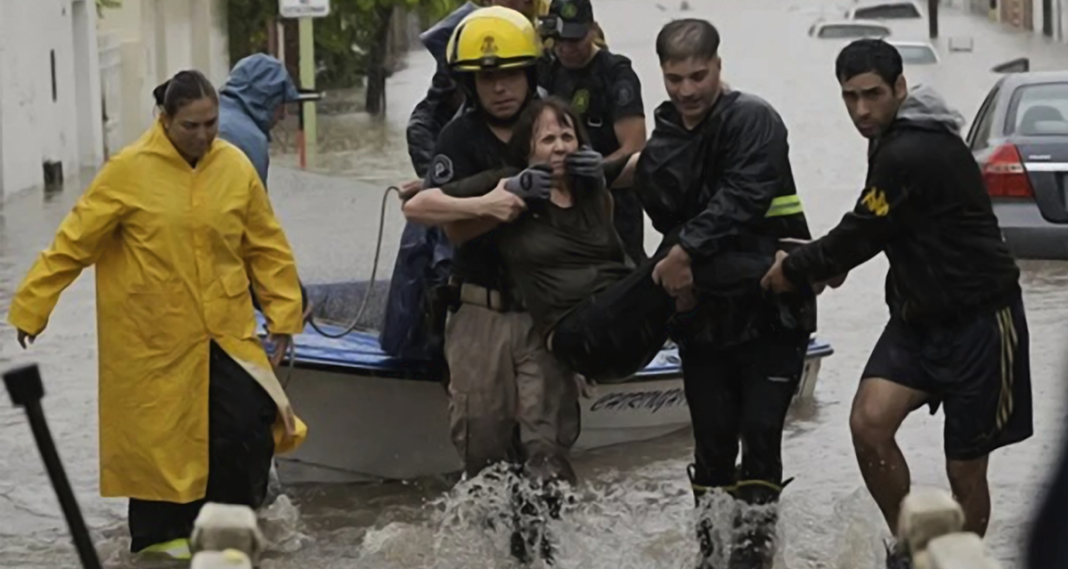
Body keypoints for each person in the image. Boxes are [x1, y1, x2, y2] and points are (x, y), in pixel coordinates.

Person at [6, 70, 308, 560]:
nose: (205, 135)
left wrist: (284, 314)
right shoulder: (129, 170)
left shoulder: (233, 166)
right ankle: (160, 550)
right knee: (158, 453)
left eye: (211, 123)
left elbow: (266, 246)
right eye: (192, 125)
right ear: (164, 120)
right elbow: (74, 242)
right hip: (153, 345)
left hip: (225, 335)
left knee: (246, 432)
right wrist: (32, 305)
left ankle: (231, 546)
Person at [761, 38, 1032, 569]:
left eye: (873, 95)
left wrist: (793, 270)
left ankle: (958, 560)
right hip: (916, 321)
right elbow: (882, 224)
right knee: (869, 424)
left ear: (900, 89)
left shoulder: (912, 148)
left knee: (965, 472)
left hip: (982, 323)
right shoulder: (886, 140)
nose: (861, 110)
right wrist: (833, 259)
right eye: (850, 97)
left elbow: (863, 230)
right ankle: (911, 550)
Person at [399, 7, 579, 563]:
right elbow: (440, 215)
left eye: (510, 74)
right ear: (470, 83)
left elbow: (600, 205)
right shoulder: (459, 138)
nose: (501, 87)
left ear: (530, 73)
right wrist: (495, 202)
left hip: (543, 315)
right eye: (487, 77)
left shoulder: (555, 127)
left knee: (545, 448)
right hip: (479, 311)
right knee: (482, 446)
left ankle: (538, 551)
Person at [634, 19, 816, 568]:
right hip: (704, 313)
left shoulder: (754, 118)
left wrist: (684, 253)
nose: (687, 91)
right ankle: (710, 558)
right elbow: (660, 203)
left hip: (773, 309)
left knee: (760, 435)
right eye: (674, 79)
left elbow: (744, 196)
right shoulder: (668, 134)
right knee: (712, 445)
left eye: (698, 76)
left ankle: (754, 559)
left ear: (718, 64)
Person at [537, 0, 648, 263]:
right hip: (560, 196)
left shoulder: (615, 74)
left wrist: (599, 168)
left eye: (575, 40)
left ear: (593, 30)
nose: (566, 49)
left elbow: (635, 147)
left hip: (613, 198)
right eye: (559, 40)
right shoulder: (546, 70)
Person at [216, 52, 311, 317]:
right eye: (282, 104)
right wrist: (290, 299)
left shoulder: (211, 118)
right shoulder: (247, 139)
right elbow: (256, 230)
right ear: (266, 99)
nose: (283, 116)